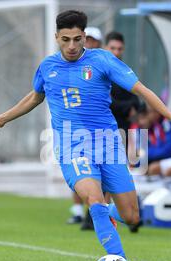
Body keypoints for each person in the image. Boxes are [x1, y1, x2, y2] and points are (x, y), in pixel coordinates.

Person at [0, 10, 171, 261]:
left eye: (77, 39)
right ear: (56, 38)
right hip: (72, 146)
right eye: (65, 40)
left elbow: (142, 90)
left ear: (85, 37)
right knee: (93, 199)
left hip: (108, 146)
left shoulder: (102, 60)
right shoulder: (48, 66)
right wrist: (4, 117)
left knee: (132, 216)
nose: (71, 46)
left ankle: (107, 214)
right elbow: (36, 95)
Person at [67, 26, 103, 227]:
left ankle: (99, 212)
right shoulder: (67, 66)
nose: (89, 43)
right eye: (86, 39)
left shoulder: (103, 64)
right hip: (77, 132)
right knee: (78, 172)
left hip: (104, 132)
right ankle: (78, 211)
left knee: (102, 175)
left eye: (93, 40)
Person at [105, 31, 140, 136]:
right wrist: (128, 107)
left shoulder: (126, 72)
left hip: (124, 130)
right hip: (103, 129)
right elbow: (107, 100)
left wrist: (131, 106)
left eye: (119, 49)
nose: (116, 52)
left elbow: (136, 99)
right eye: (112, 48)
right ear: (105, 48)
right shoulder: (99, 72)